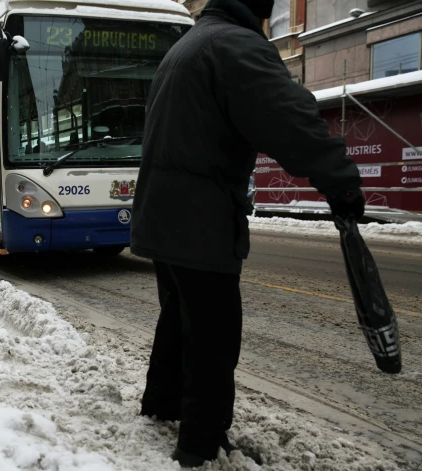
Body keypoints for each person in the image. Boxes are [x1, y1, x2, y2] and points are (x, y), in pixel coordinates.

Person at [130, 0, 365, 467]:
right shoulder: (233, 46)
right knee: (213, 339)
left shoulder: (190, 44)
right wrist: (341, 181)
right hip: (199, 221)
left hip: (163, 213)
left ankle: (160, 406)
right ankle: (199, 447)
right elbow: (290, 120)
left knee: (178, 319)